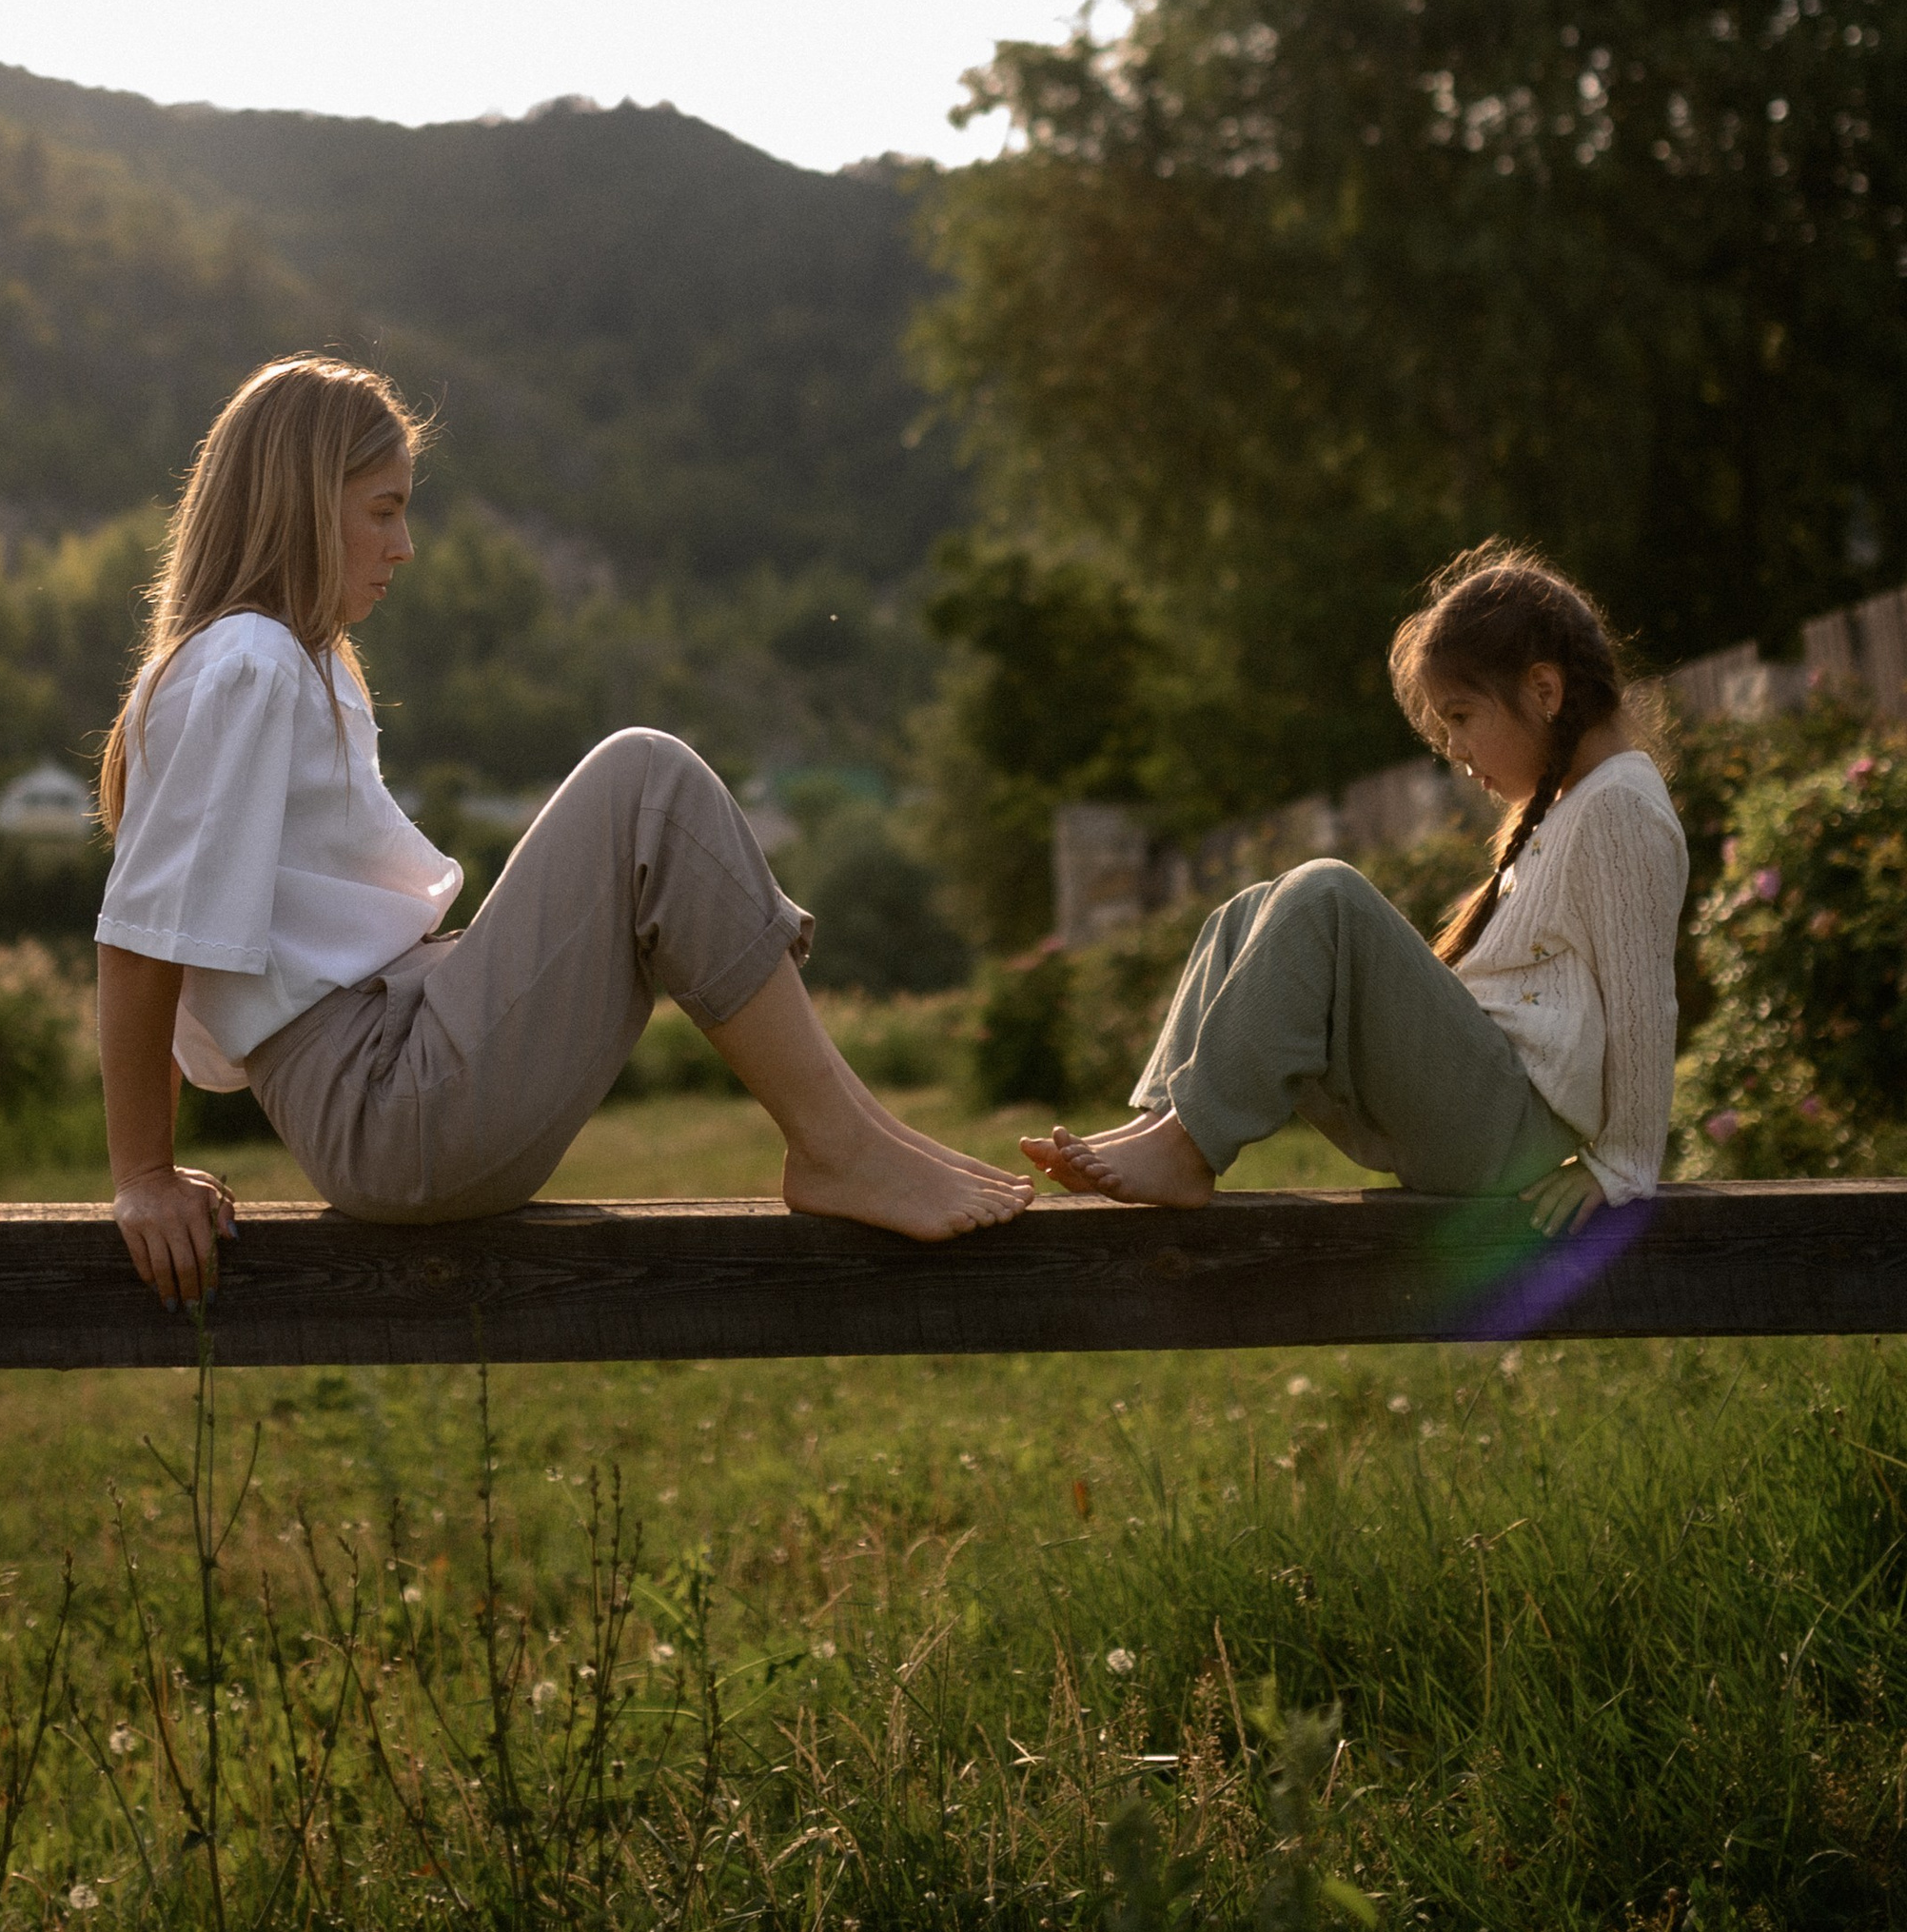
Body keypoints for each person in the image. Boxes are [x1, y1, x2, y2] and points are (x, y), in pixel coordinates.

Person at [96, 355, 1032, 1305]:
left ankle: (857, 1139)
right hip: (382, 1104)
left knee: (647, 791)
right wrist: (143, 1177)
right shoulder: (245, 662)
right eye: (382, 510)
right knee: (646, 783)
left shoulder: (290, 663)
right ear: (296, 501)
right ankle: (843, 1148)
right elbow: (144, 942)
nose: (405, 544)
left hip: (396, 1068)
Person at [1022, 542, 1688, 1236]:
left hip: (1503, 1128)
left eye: (1459, 717)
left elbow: (1643, 999)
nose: (1453, 752)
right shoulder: (1578, 804)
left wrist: (1624, 1165)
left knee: (1326, 895)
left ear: (1544, 692)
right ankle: (1165, 1124)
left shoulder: (1619, 806)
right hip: (1479, 1112)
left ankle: (1187, 1147)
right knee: (1245, 911)